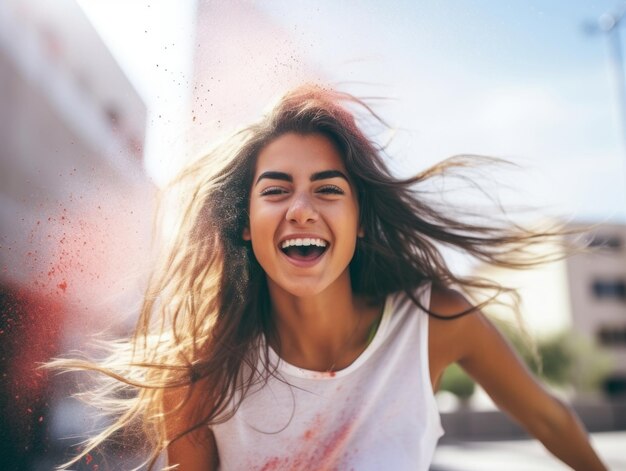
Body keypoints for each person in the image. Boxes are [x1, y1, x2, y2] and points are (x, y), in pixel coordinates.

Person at [50, 84, 607, 470]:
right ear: (244, 225)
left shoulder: (435, 321)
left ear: (359, 220)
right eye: (274, 190)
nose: (301, 208)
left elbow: (550, 418)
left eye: (328, 188)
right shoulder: (198, 371)